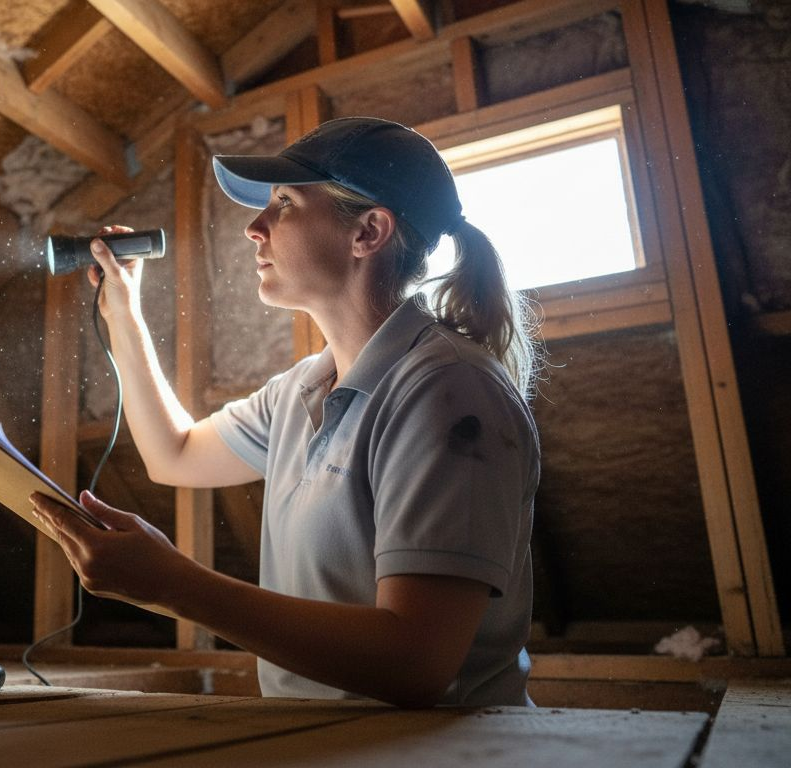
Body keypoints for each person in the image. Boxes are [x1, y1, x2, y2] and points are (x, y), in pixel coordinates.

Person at [29, 116, 540, 708]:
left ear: (368, 232)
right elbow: (174, 454)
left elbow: (417, 660)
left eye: (285, 204)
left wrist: (174, 584)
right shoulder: (301, 389)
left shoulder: (448, 392)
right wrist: (123, 308)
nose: (254, 227)